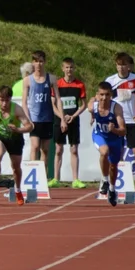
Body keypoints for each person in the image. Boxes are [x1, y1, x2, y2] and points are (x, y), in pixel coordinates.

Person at [104, 52, 135, 189]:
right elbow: (102, 97)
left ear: (129, 66)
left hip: (131, 121)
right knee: (117, 152)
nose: (121, 68)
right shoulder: (110, 80)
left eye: (124, 65)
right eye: (119, 65)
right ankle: (117, 182)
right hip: (116, 121)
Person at [24, 50, 65, 168]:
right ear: (33, 63)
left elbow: (58, 99)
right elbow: (24, 102)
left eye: (41, 61)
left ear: (45, 62)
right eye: (36, 61)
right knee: (35, 147)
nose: (38, 64)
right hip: (34, 118)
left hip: (47, 118)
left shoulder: (51, 79)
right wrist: (27, 119)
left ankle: (43, 176)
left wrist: (62, 118)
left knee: (45, 149)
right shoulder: (28, 80)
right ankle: (33, 173)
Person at [90, 81, 128, 207]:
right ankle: (104, 181)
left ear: (111, 95)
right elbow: (89, 105)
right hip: (99, 135)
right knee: (104, 151)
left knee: (113, 166)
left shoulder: (116, 108)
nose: (104, 98)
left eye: (107, 95)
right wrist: (92, 116)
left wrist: (115, 129)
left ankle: (112, 189)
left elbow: (123, 131)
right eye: (101, 95)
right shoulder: (93, 106)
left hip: (115, 138)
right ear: (97, 95)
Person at [55, 57, 87, 189]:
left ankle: (75, 179)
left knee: (74, 149)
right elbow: (53, 104)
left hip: (73, 120)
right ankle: (56, 179)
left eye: (71, 67)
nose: (69, 70)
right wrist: (62, 118)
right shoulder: (57, 84)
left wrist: (73, 116)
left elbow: (83, 105)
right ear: (63, 69)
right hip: (60, 120)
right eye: (67, 67)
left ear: (74, 69)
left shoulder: (80, 85)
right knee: (58, 149)